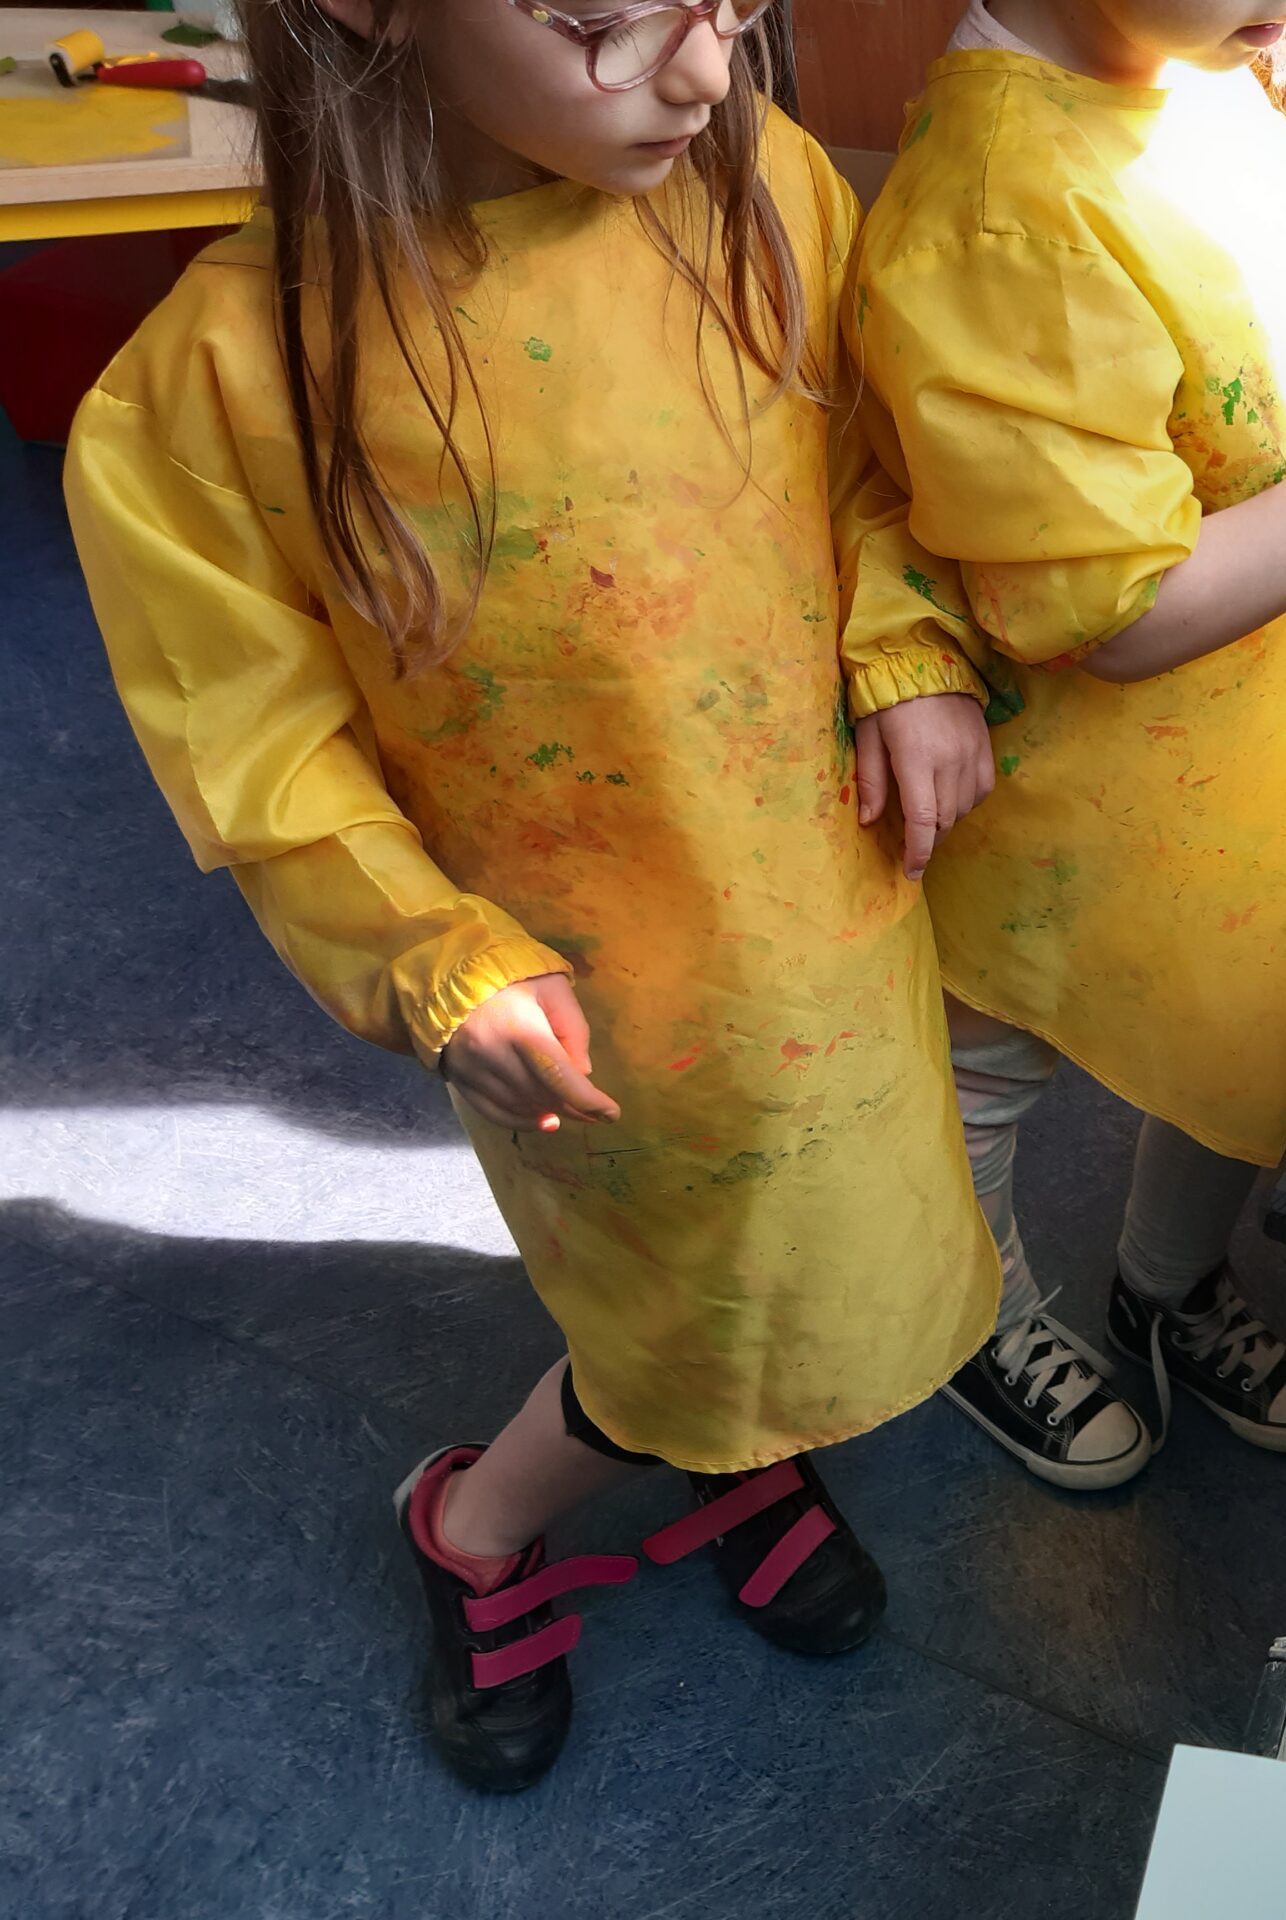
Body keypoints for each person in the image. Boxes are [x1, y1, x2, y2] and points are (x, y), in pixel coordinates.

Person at [61, 0, 1005, 1792]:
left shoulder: (773, 193)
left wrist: (906, 649)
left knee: (817, 1224)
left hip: (822, 897)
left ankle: (739, 1444)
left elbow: (870, 463)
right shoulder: (226, 379)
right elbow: (262, 754)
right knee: (671, 1286)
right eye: (604, 26)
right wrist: (435, 958)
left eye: (732, 10)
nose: (711, 78)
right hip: (586, 974)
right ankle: (480, 1522)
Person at [845, 0, 1286, 1490]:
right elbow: (1112, 613)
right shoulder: (1001, 206)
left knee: (1249, 1023)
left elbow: (1215, 407)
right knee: (999, 1046)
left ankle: (1166, 1282)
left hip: (1244, 748)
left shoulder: (1207, 60)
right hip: (1073, 776)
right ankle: (974, 1306)